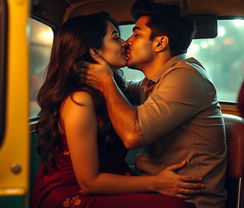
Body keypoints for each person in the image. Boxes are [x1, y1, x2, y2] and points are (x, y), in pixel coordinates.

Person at [32, 12, 203, 208]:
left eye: (134, 35)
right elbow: (89, 182)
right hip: (72, 191)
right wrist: (155, 183)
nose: (125, 43)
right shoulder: (79, 100)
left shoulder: (113, 90)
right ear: (92, 50)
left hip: (105, 180)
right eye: (115, 37)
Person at [82, 0, 227, 208]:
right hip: (164, 192)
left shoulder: (185, 78)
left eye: (136, 34)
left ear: (160, 43)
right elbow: (123, 89)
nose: (127, 41)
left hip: (191, 202)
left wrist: (105, 80)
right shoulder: (152, 82)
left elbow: (133, 136)